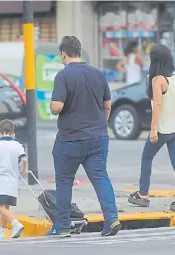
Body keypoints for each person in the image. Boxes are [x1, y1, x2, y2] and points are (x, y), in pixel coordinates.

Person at [49, 36, 121, 238]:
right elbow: (107, 106)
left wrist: (52, 105)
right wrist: (99, 125)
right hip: (98, 137)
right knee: (100, 177)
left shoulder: (63, 76)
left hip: (70, 139)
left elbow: (57, 107)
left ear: (63, 53)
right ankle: (112, 218)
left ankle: (63, 226)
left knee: (64, 181)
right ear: (79, 51)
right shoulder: (98, 74)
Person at [127, 44, 175, 214]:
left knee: (147, 157)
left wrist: (153, 129)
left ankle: (143, 194)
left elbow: (157, 105)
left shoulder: (158, 80)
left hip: (163, 129)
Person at [0, 119, 29, 240]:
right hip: (13, 180)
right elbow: (24, 160)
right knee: (6, 207)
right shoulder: (17, 145)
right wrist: (24, 170)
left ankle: (16, 224)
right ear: (13, 134)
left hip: (0, 179)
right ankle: (0, 232)